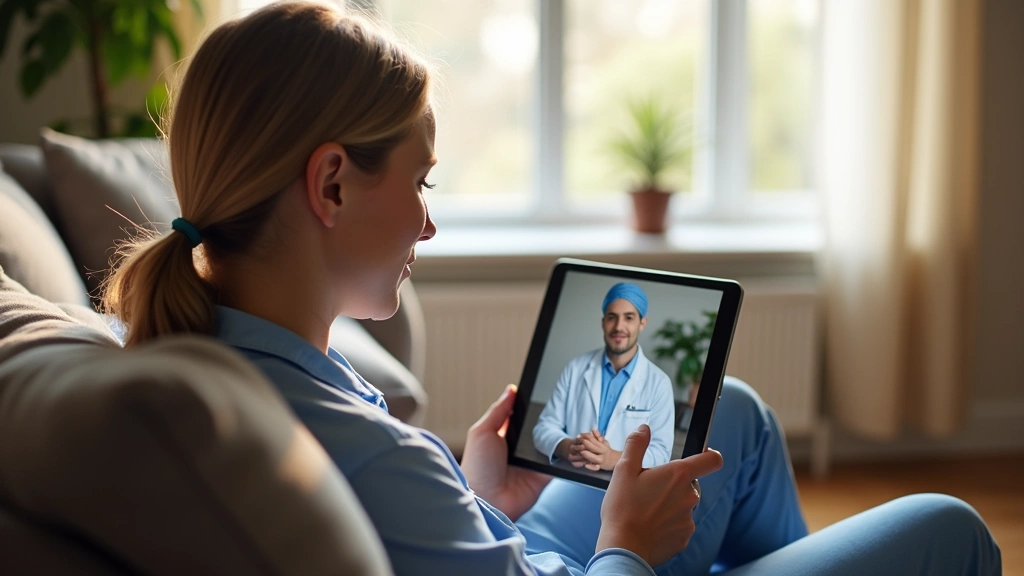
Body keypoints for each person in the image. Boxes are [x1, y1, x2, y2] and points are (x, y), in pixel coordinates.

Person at [101, 2, 1002, 575]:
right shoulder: (363, 454)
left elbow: (424, 537)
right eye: (420, 183)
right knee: (948, 525)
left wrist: (479, 500)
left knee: (728, 411)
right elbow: (399, 495)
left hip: (519, 552)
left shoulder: (216, 353)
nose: (427, 223)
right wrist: (628, 548)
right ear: (331, 184)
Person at [533, 282, 675, 470]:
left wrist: (613, 459)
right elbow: (543, 428)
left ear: (642, 323)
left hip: (626, 488)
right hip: (572, 476)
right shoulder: (575, 368)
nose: (618, 326)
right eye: (612, 317)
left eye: (629, 318)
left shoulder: (659, 383)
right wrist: (567, 447)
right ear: (603, 322)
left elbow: (661, 453)